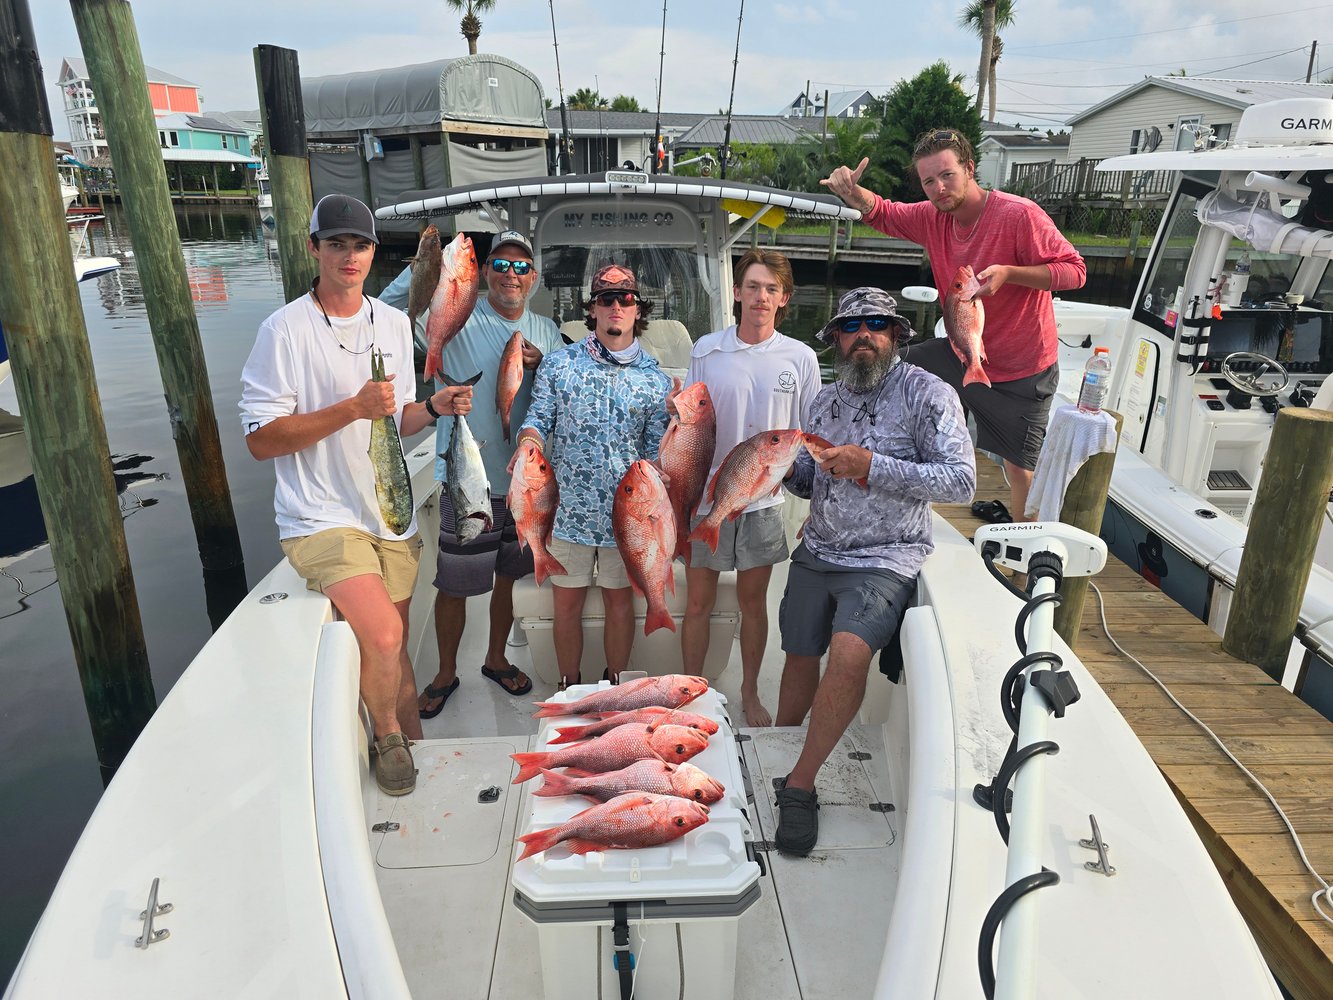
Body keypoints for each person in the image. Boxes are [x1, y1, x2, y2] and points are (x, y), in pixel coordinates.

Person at [240, 194, 473, 797]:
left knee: (393, 650)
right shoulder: (283, 330)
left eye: (361, 245)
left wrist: (431, 407)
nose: (350, 255)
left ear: (374, 252)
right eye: (336, 243)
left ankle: (411, 733)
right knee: (388, 636)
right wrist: (352, 408)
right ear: (313, 248)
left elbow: (392, 423)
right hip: (319, 517)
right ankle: (387, 737)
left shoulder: (394, 324)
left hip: (387, 512)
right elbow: (261, 440)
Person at [772, 287, 975, 855]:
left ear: (896, 335)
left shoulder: (928, 394)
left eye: (878, 325)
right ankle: (776, 749)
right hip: (819, 549)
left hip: (887, 555)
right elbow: (811, 483)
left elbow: (962, 481)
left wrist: (873, 466)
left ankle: (800, 783)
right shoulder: (824, 402)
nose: (865, 334)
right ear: (836, 337)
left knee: (850, 653)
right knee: (797, 654)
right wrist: (779, 469)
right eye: (853, 324)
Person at [821, 128, 1085, 522]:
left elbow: (1075, 271)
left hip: (1021, 369)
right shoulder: (932, 218)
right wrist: (851, 192)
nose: (939, 188)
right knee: (889, 370)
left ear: (970, 168)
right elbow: (886, 213)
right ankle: (868, 477)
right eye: (929, 180)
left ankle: (1022, 567)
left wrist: (1010, 273)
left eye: (947, 175)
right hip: (961, 353)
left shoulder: (1018, 214)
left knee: (1019, 469)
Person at [407, 231, 567, 717]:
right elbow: (402, 314)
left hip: (525, 483)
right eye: (500, 264)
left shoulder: (549, 333)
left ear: (534, 278)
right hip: (467, 480)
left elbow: (564, 404)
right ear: (482, 273)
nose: (510, 275)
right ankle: (444, 672)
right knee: (453, 582)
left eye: (521, 267)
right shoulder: (452, 318)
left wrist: (547, 369)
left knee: (509, 581)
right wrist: (424, 264)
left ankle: (496, 659)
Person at [679, 249, 821, 727]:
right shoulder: (706, 350)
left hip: (765, 498)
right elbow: (689, 425)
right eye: (753, 286)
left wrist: (817, 506)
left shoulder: (800, 358)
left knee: (752, 604)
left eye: (771, 289)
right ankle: (690, 689)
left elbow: (812, 433)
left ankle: (749, 691)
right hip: (709, 497)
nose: (761, 297)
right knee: (696, 602)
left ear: (784, 299)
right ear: (736, 292)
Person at [514, 264, 672, 689]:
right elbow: (538, 418)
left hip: (629, 517)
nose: (616, 307)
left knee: (621, 605)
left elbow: (656, 453)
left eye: (625, 299)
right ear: (593, 309)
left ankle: (615, 688)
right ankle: (569, 687)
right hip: (566, 513)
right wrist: (528, 442)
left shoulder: (657, 381)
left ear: (639, 309)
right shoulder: (559, 365)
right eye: (607, 299)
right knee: (566, 606)